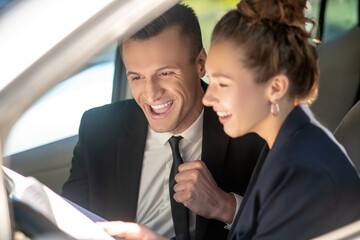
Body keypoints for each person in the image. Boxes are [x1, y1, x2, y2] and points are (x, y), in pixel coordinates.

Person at [98, 0, 360, 239]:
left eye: (223, 84)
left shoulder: (302, 173)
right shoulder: (287, 149)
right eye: (211, 80)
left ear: (276, 88)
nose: (208, 98)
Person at [62, 4, 265, 240]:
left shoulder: (251, 128)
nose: (151, 94)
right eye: (137, 77)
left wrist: (225, 207)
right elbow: (68, 223)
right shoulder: (98, 128)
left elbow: (292, 228)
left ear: (201, 64)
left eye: (165, 73)